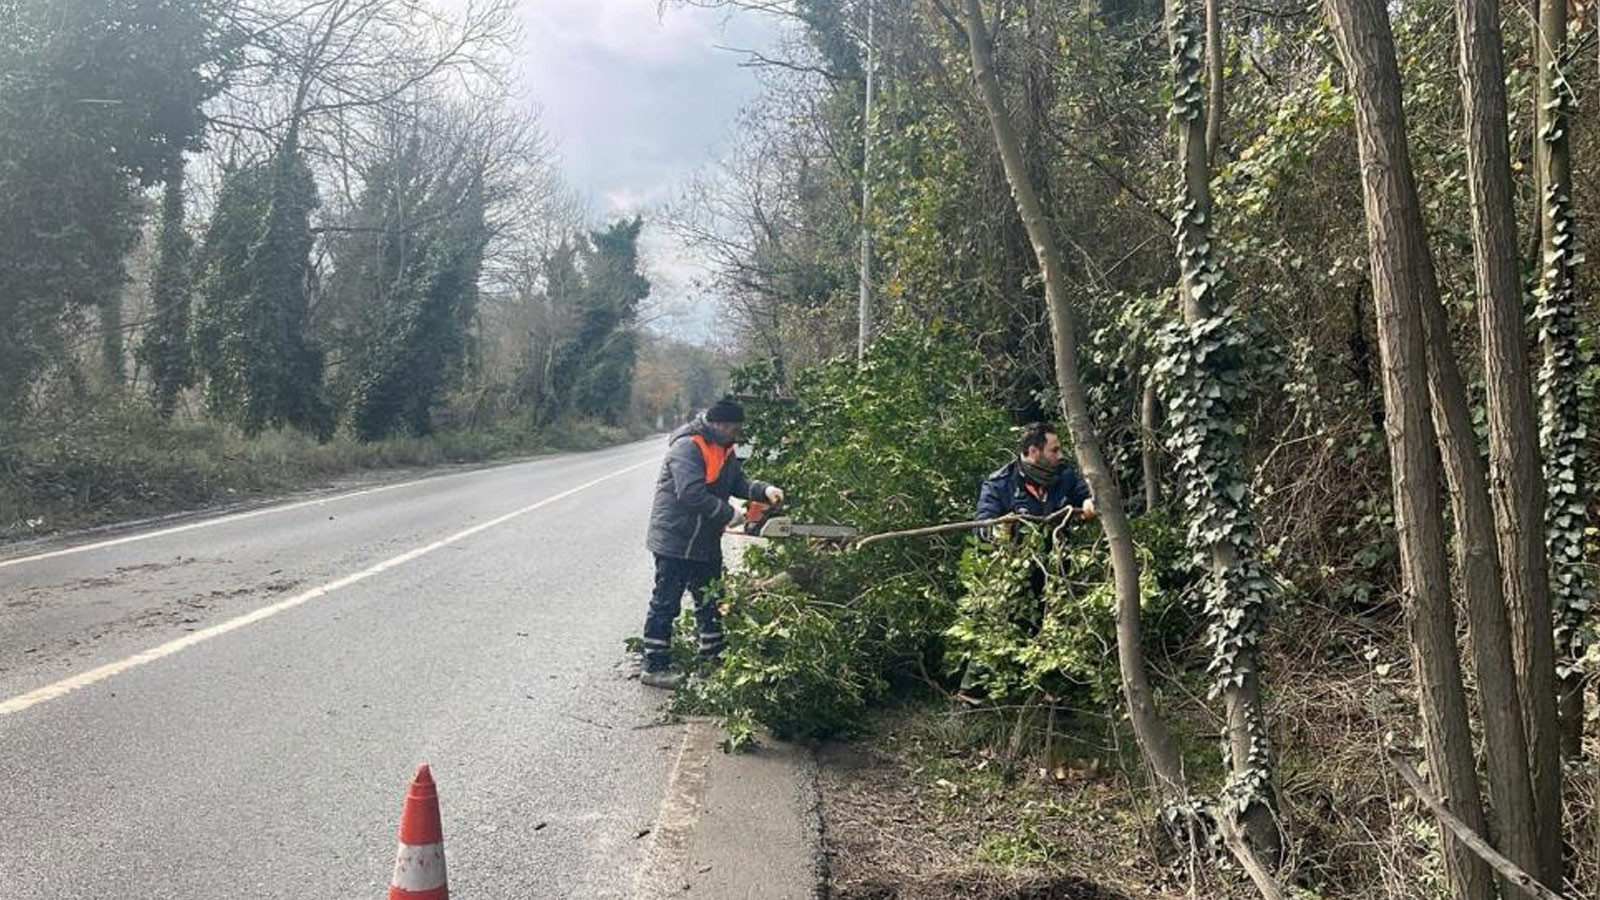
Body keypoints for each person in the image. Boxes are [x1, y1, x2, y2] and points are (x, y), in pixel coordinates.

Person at [640, 398, 785, 689]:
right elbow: (690, 493)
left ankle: (712, 657)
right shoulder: (688, 446)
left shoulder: (723, 448)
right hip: (676, 538)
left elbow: (737, 483)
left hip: (704, 538)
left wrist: (763, 490)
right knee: (666, 602)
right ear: (720, 424)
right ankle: (654, 666)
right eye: (734, 428)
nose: (737, 434)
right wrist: (728, 513)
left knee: (711, 599)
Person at [956, 422, 1096, 706]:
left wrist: (1090, 503)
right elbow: (981, 526)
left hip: (1056, 570)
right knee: (998, 629)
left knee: (1055, 629)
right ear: (1034, 451)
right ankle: (970, 697)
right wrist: (999, 527)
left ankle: (1051, 695)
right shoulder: (1000, 483)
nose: (1059, 455)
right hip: (1013, 575)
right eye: (1053, 450)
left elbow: (1085, 495)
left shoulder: (1064, 476)